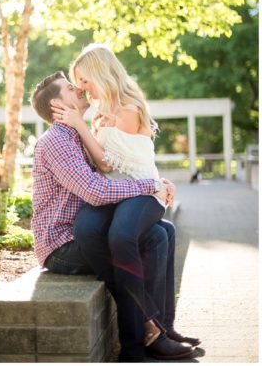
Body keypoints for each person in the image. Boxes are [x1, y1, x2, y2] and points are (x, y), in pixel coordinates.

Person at [29, 71, 194, 361]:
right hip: (62, 244)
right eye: (71, 88)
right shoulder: (57, 141)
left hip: (85, 230)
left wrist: (155, 183)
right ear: (57, 105)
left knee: (165, 230)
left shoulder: (78, 134)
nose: (79, 89)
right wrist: (152, 186)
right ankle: (148, 334)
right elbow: (95, 191)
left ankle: (163, 327)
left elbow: (111, 169)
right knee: (153, 238)